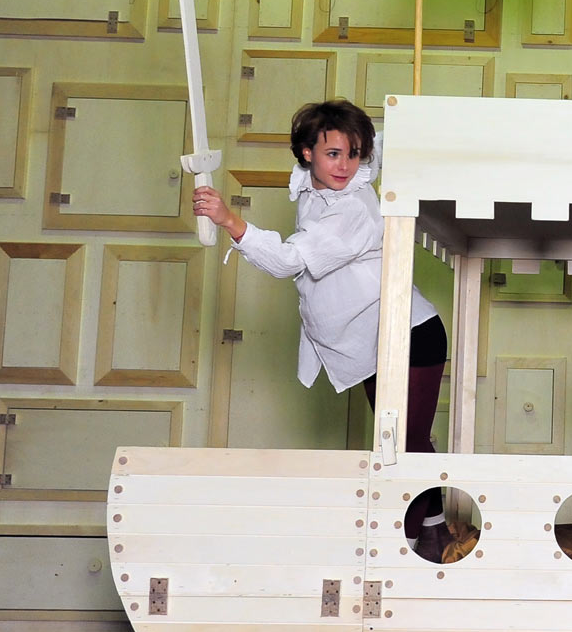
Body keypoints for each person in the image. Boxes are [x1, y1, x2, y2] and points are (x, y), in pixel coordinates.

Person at [193, 99, 452, 562]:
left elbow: (289, 260)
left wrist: (229, 220)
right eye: (334, 153)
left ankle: (403, 548)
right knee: (406, 440)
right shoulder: (313, 185)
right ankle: (436, 534)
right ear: (307, 153)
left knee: (402, 447)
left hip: (409, 333)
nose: (345, 166)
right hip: (371, 341)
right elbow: (376, 145)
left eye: (354, 155)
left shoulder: (351, 208)